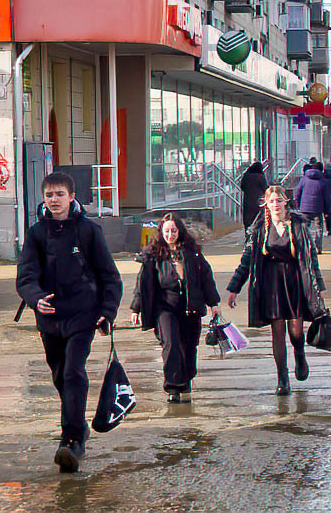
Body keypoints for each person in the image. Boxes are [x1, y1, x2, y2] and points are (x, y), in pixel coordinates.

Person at [16, 171, 122, 473]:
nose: (54, 200)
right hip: (50, 318)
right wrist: (36, 298)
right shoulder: (36, 234)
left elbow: (109, 276)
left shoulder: (89, 231)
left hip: (82, 314)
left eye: (60, 194)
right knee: (61, 376)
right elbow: (25, 277)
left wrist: (107, 311)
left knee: (74, 371)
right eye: (49, 195)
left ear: (72, 197)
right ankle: (77, 425)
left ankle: (72, 439)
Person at [227, 185, 327, 395]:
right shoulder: (260, 228)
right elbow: (247, 259)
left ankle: (299, 353)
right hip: (271, 285)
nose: (276, 205)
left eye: (279, 201)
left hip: (294, 282)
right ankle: (283, 378)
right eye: (271, 201)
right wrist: (235, 287)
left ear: (285, 202)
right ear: (266, 204)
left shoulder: (297, 224)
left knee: (296, 331)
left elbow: (311, 258)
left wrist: (320, 286)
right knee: (278, 333)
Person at [130, 213, 222, 403]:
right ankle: (172, 386)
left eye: (173, 230)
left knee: (189, 347)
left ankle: (186, 379)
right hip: (165, 307)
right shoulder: (153, 255)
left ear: (180, 231)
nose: (170, 234)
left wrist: (214, 303)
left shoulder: (193, 253)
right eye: (167, 231)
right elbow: (143, 283)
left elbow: (206, 278)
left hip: (190, 306)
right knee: (170, 344)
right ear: (161, 232)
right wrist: (135, 309)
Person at [294, 163, 330, 253]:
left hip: (304, 208)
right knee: (319, 228)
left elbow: (297, 193)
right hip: (318, 209)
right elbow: (327, 197)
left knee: (305, 228)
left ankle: (306, 246)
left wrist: (298, 206)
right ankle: (318, 247)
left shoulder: (304, 179)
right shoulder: (323, 181)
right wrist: (326, 210)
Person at [240, 162, 269, 229]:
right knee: (258, 218)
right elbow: (265, 188)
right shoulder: (260, 177)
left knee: (248, 219)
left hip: (247, 201)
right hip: (258, 201)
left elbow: (242, 187)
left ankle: (248, 234)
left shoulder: (246, 176)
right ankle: (257, 232)